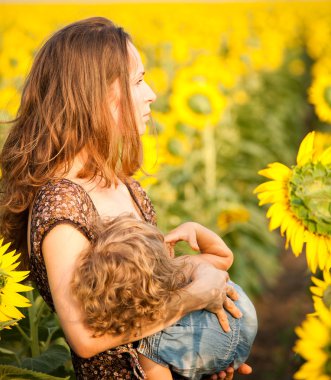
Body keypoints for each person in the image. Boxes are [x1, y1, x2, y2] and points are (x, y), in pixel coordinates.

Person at [0, 17, 252, 379]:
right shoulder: (62, 204)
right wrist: (196, 297)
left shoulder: (124, 185)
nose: (150, 93)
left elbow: (149, 300)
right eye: (137, 81)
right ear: (96, 95)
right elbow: (86, 337)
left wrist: (204, 349)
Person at [71, 214, 258, 380]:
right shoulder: (185, 267)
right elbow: (224, 257)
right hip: (245, 317)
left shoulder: (149, 335)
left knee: (150, 349)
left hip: (211, 357)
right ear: (166, 251)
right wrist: (195, 228)